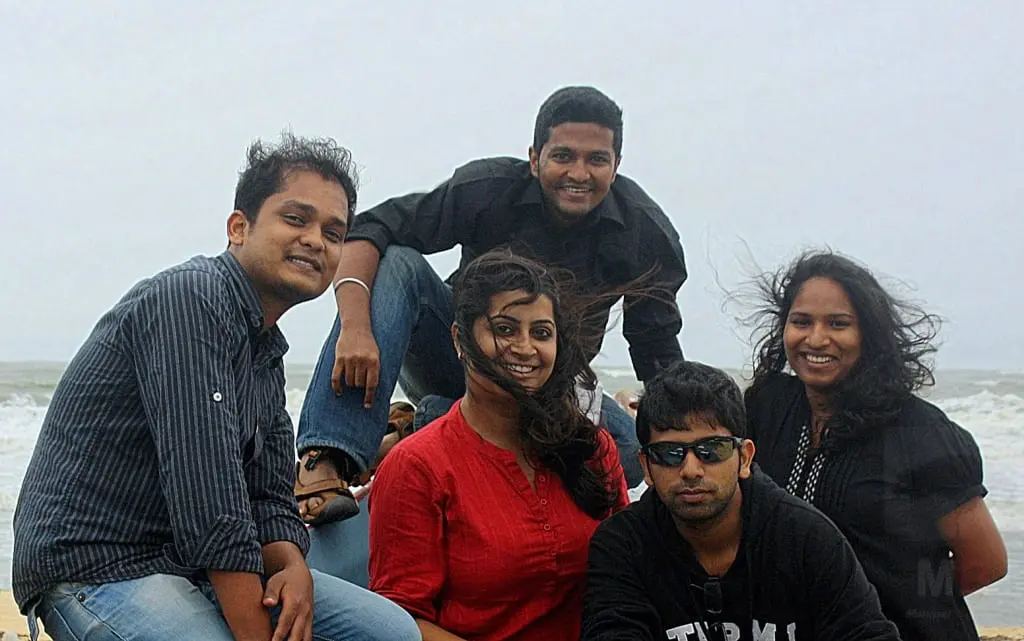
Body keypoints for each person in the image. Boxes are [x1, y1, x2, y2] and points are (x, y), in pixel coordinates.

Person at [11, 134, 420, 641]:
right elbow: (209, 499)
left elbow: (269, 492)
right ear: (239, 227)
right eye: (296, 219)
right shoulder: (190, 299)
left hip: (190, 564)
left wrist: (292, 565)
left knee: (392, 633)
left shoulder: (265, 348)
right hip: (96, 567)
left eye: (333, 232)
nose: (316, 240)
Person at [294, 85, 687, 525]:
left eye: (596, 159)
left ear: (616, 166)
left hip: (549, 385)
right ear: (534, 159)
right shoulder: (486, 190)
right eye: (563, 156)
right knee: (401, 261)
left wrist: (688, 433)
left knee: (631, 452)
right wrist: (356, 328)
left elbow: (656, 348)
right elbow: (369, 230)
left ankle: (423, 425)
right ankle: (328, 456)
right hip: (459, 359)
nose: (578, 173)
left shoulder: (644, 233)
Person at [743, 250, 1007, 641]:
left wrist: (900, 601)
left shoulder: (920, 432)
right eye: (801, 322)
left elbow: (986, 562)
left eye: (838, 324)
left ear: (869, 334)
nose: (816, 339)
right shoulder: (767, 408)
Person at [368, 249, 630, 640]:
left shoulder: (591, 449)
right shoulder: (417, 467)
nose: (524, 348)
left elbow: (628, 574)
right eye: (505, 329)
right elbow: (399, 624)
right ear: (460, 339)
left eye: (541, 333)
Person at [581, 360, 901, 641]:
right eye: (669, 454)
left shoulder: (806, 539)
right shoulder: (622, 546)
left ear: (744, 457)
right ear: (646, 466)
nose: (691, 470)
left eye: (712, 450)